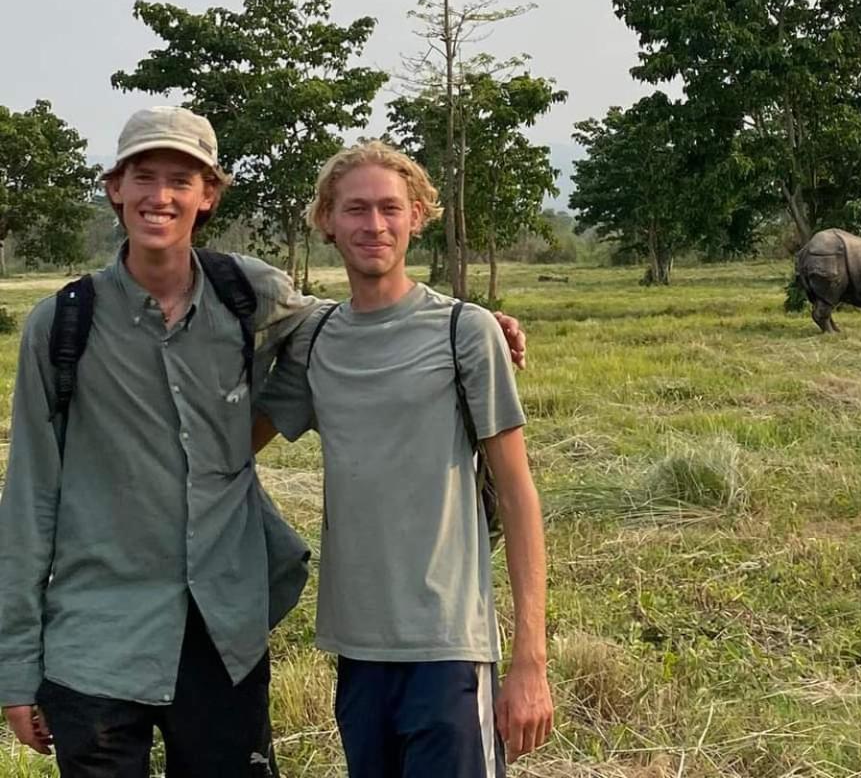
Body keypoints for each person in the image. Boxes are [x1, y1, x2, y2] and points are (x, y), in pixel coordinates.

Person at [0, 108, 524, 777]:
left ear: (208, 195)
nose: (160, 196)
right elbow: (28, 498)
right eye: (144, 177)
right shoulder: (62, 325)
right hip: (93, 637)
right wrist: (16, 668)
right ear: (114, 188)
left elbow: (351, 322)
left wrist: (470, 325)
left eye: (181, 180)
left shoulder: (244, 291)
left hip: (222, 636)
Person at [255, 142, 553, 777]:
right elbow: (230, 449)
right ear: (325, 221)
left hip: (448, 645)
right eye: (355, 209)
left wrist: (530, 659)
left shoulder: (464, 332)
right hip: (355, 646)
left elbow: (520, 494)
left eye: (391, 208)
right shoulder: (314, 340)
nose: (374, 225)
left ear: (419, 216)